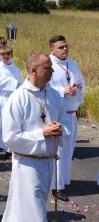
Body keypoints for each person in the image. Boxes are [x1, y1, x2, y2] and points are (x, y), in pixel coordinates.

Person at [1, 51, 69, 222]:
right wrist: (42, 133)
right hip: (27, 165)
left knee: (28, 212)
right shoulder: (18, 97)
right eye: (48, 68)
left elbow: (66, 122)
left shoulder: (53, 95)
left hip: (48, 162)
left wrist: (61, 129)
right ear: (33, 70)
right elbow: (10, 137)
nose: (52, 72)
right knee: (33, 214)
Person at [48, 35, 85, 202]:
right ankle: (56, 186)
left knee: (68, 151)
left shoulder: (73, 63)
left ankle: (64, 181)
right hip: (58, 115)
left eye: (66, 46)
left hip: (71, 113)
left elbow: (81, 82)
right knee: (58, 151)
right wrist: (63, 91)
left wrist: (77, 88)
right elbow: (45, 88)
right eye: (61, 47)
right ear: (52, 49)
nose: (65, 49)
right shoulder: (48, 64)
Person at [0, 46, 24, 161]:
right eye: (3, 55)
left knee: (12, 125)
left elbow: (20, 83)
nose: (6, 57)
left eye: (8, 55)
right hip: (0, 99)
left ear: (11, 55)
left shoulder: (16, 69)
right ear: (0, 56)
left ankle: (9, 152)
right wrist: (12, 83)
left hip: (12, 99)